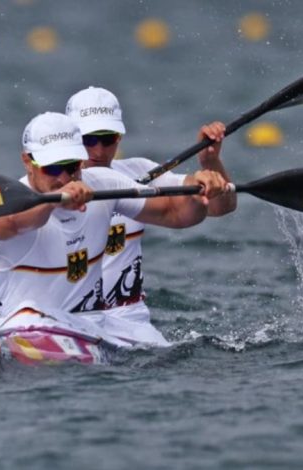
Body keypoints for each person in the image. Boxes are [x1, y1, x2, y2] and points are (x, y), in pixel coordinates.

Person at [0, 112, 229, 349]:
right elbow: (8, 224)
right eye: (53, 169)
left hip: (92, 327)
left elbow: (174, 214)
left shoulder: (102, 182)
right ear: (27, 161)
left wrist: (201, 192)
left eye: (71, 166)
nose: (63, 178)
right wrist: (54, 200)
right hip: (24, 326)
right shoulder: (8, 201)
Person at [64, 87, 237, 345]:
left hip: (129, 319)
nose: (98, 151)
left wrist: (209, 166)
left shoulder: (139, 172)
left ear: (119, 138)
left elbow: (221, 207)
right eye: (88, 140)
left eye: (107, 138)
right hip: (70, 320)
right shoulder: (51, 189)